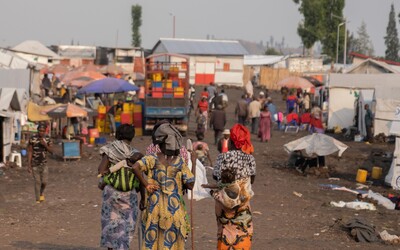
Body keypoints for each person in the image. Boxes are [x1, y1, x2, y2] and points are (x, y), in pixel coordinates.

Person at [129, 122, 195, 250]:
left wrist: (146, 184)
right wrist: (194, 161)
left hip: (154, 210)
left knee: (152, 244)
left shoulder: (151, 159)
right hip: (174, 211)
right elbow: (191, 185)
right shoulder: (179, 162)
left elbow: (135, 167)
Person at [212, 124, 256, 249]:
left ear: (231, 141)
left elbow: (215, 177)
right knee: (243, 229)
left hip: (224, 202)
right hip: (242, 202)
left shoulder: (222, 157)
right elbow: (252, 179)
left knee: (224, 230)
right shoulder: (250, 159)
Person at [97, 124, 140, 249]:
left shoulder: (110, 149)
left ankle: (111, 247)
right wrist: (142, 197)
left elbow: (101, 170)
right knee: (127, 223)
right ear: (132, 136)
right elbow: (139, 175)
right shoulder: (135, 154)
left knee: (110, 221)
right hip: (129, 194)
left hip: (111, 192)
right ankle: (122, 246)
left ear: (117, 135)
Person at [27, 123, 54, 203]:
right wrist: (29, 165)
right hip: (35, 164)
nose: (41, 132)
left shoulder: (48, 139)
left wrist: (45, 145)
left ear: (45, 131)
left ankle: (41, 192)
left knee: (44, 182)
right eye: (40, 131)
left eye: (43, 131)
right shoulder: (32, 139)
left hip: (44, 164)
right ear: (37, 130)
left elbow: (52, 151)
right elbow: (30, 151)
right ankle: (37, 199)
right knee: (37, 182)